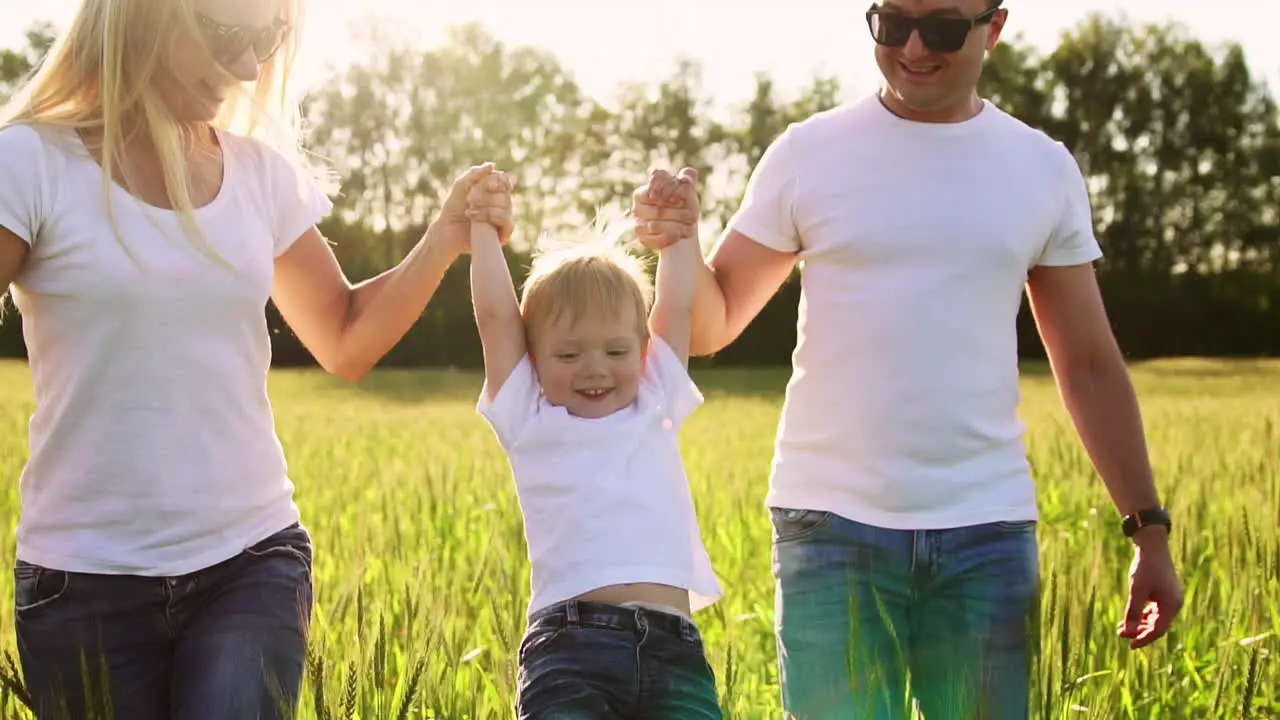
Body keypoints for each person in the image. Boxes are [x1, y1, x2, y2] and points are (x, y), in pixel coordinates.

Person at [630, 1, 1184, 718]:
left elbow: (1088, 362)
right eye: (893, 23)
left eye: (944, 28)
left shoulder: (1041, 168)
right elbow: (713, 323)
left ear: (996, 27)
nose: (914, 47)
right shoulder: (809, 153)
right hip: (831, 531)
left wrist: (1149, 530)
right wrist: (678, 245)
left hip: (987, 535)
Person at [0, 0, 511, 718]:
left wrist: (447, 234)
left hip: (251, 563)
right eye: (221, 36)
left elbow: (344, 336)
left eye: (267, 39)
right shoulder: (29, 163)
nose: (246, 69)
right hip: (84, 583)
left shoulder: (258, 175)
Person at [467, 167, 723, 719]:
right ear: (534, 359)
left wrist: (678, 236)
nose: (594, 370)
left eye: (614, 351)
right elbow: (494, 318)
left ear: (641, 351)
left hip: (674, 650)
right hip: (570, 650)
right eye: (568, 354)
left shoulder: (656, 399)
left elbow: (676, 309)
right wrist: (484, 230)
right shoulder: (529, 415)